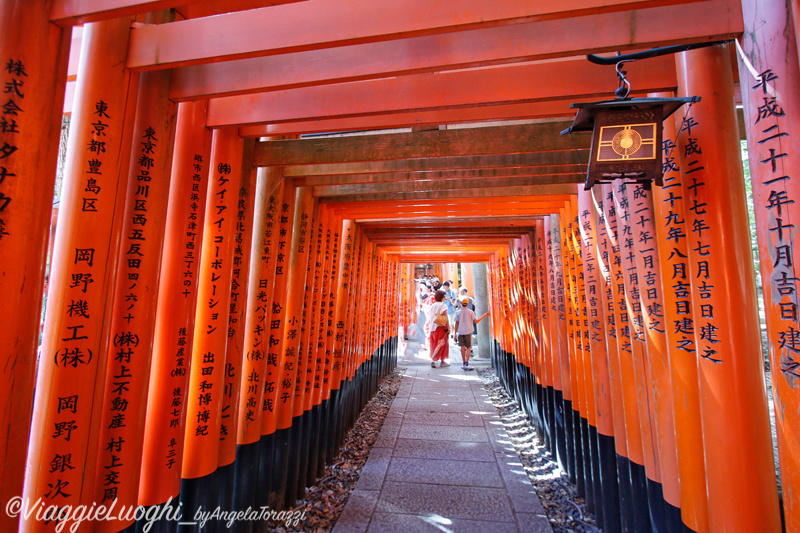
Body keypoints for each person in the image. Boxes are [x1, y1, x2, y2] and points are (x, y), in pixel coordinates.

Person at [454, 296, 490, 370]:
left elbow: (456, 323)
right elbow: (476, 321)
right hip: (468, 331)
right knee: (469, 347)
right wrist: (484, 315)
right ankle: (467, 363)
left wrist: (455, 334)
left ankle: (463, 363)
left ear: (460, 303)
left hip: (460, 331)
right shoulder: (470, 312)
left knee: (462, 347)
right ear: (467, 304)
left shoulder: (458, 312)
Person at [426, 290, 451, 367]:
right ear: (441, 297)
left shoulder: (432, 305)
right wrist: (448, 327)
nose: (445, 298)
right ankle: (442, 361)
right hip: (441, 327)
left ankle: (433, 360)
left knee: (434, 344)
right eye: (444, 296)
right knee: (442, 344)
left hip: (433, 327)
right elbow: (445, 317)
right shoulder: (443, 306)